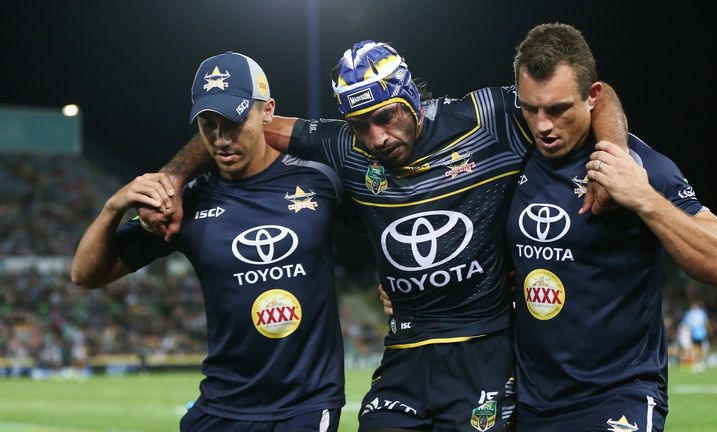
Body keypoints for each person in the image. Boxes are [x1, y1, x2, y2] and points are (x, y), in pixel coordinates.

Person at [141, 40, 628, 431]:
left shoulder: (489, 117)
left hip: (484, 347)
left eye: (386, 117)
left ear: (411, 98)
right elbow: (241, 124)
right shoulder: (344, 145)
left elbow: (589, 102)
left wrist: (612, 158)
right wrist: (173, 180)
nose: (376, 138)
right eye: (360, 125)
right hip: (406, 352)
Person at [71, 51, 345, 432]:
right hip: (219, 407)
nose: (221, 139)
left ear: (267, 111)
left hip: (302, 408)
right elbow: (86, 275)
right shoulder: (188, 204)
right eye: (208, 124)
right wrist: (113, 206)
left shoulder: (321, 180)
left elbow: (381, 219)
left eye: (233, 123)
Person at [506, 23, 717, 431]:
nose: (543, 125)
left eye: (560, 109)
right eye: (531, 108)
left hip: (620, 396)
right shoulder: (510, 150)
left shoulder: (642, 167)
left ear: (591, 97)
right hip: (531, 402)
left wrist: (644, 197)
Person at [682, 300, 711, 372]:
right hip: (700, 331)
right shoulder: (701, 312)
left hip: (695, 331)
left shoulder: (690, 313)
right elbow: (706, 322)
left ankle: (697, 363)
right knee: (700, 348)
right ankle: (700, 363)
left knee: (696, 348)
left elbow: (686, 323)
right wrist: (709, 330)